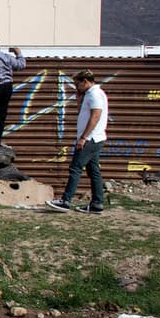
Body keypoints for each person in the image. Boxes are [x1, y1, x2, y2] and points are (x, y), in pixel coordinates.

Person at [46, 69, 108, 213]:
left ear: (85, 81)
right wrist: (79, 102)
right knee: (94, 172)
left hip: (91, 139)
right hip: (94, 138)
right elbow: (85, 114)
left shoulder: (95, 94)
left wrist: (83, 138)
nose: (76, 87)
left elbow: (95, 117)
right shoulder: (90, 94)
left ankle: (65, 201)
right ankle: (97, 204)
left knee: (75, 168)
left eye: (77, 84)